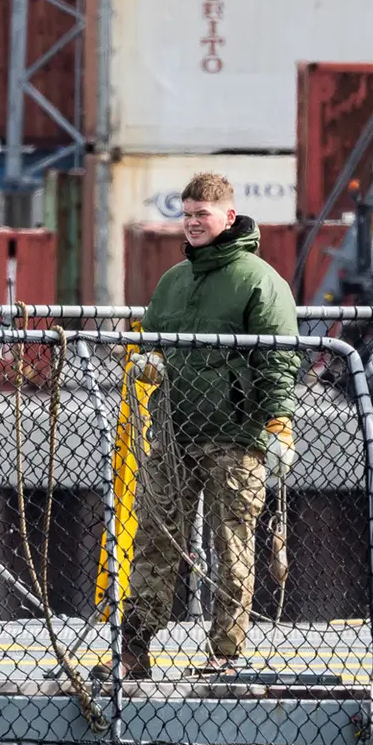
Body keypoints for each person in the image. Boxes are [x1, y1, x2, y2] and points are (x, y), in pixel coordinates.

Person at [116, 173, 299, 678]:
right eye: (187, 214)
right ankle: (134, 648)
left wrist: (278, 423)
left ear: (229, 216)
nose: (193, 223)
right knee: (153, 540)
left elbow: (279, 360)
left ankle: (225, 653)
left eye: (202, 214)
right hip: (174, 435)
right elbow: (152, 340)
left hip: (237, 438)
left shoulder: (260, 281)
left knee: (232, 548)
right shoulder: (174, 282)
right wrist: (146, 359)